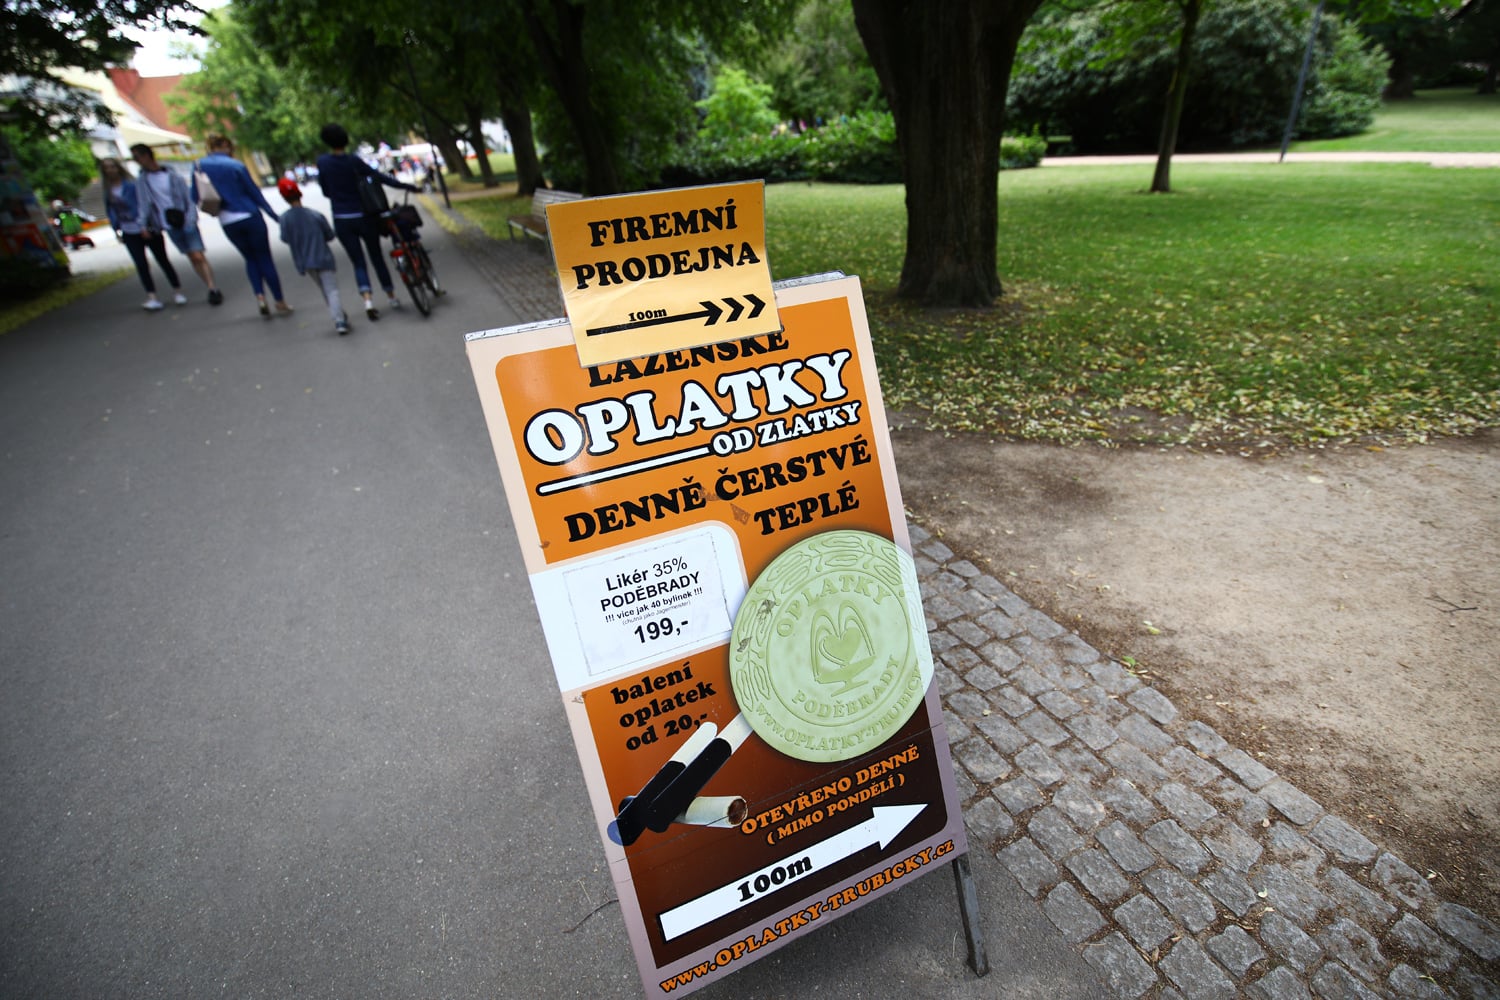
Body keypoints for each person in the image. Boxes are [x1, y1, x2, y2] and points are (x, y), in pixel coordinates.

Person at [315, 123, 420, 321]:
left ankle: (368, 301)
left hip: (342, 219)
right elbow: (379, 177)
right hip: (364, 216)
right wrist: (407, 186)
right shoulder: (353, 161)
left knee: (358, 262)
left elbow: (326, 191)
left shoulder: (323, 163)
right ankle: (391, 296)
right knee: (377, 257)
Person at [197, 134, 292, 318]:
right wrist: (276, 217)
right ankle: (279, 301)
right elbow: (255, 194)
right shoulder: (236, 165)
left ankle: (260, 297)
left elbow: (197, 195)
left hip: (226, 220)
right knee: (264, 258)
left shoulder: (200, 166)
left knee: (250, 259)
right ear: (225, 145)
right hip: (249, 215)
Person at [129, 143, 224, 306]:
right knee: (192, 257)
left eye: (137, 157)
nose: (136, 161)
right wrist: (143, 225)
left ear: (146, 156)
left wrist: (192, 218)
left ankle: (212, 287)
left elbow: (188, 199)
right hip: (168, 224)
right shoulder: (142, 181)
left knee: (198, 255)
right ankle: (209, 285)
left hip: (186, 219)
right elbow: (144, 205)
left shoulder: (172, 176)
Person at [100, 156, 186, 311]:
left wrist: (145, 225)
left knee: (162, 260)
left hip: (148, 228)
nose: (110, 170)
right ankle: (152, 296)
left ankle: (177, 291)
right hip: (128, 230)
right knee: (141, 264)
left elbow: (145, 205)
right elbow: (111, 211)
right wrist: (116, 230)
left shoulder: (133, 184)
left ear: (118, 167)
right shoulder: (108, 191)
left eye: (112, 166)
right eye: (106, 167)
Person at [276, 178, 350, 336]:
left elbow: (284, 238)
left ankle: (338, 315)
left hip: (305, 261)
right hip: (323, 256)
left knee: (324, 289)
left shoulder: (285, 219)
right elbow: (329, 235)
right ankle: (339, 319)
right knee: (331, 289)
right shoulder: (315, 215)